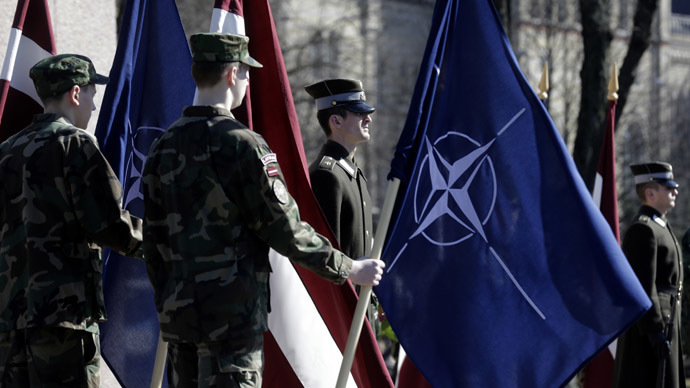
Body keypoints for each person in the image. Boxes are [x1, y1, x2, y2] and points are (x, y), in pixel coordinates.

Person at [142, 33, 385, 388]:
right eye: (245, 72)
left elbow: (152, 239)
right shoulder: (243, 144)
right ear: (231, 74)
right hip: (231, 327)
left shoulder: (163, 146)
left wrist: (169, 299)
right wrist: (348, 268)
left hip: (179, 323)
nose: (247, 80)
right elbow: (286, 229)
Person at [0, 54, 144, 387]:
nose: (94, 107)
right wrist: (166, 241)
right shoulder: (76, 145)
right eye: (92, 95)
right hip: (64, 320)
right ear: (76, 94)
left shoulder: (7, 150)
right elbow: (108, 224)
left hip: (11, 324)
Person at [613, 161, 685, 388]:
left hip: (668, 322)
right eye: (668, 187)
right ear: (650, 192)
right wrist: (654, 330)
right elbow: (644, 285)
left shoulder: (661, 227)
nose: (675, 190)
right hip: (650, 332)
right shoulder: (643, 229)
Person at [304, 79, 374, 260]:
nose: (368, 118)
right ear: (336, 121)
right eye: (359, 113)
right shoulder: (326, 175)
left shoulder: (352, 173)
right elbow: (324, 256)